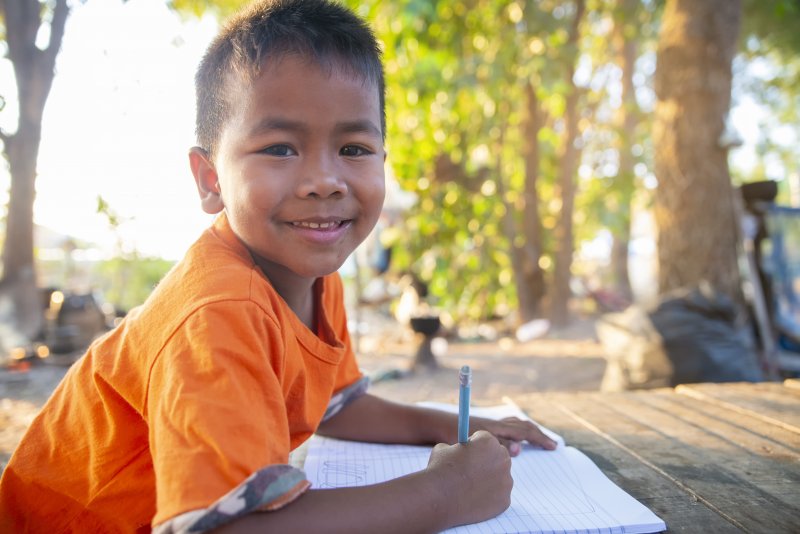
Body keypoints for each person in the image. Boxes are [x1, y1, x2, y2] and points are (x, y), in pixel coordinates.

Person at [0, 1, 556, 531]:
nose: (325, 181)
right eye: (280, 148)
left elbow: (335, 409)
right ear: (209, 178)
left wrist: (462, 428)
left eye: (355, 149)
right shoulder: (219, 313)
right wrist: (445, 494)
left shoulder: (316, 273)